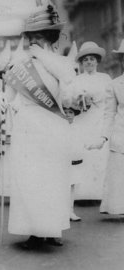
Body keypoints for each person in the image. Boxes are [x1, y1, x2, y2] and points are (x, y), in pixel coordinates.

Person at [6, 5, 79, 248]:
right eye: (31, 38)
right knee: (30, 179)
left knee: (53, 179)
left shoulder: (60, 64)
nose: (33, 43)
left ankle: (53, 228)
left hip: (52, 126)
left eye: (39, 38)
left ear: (49, 39)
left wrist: (45, 57)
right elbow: (11, 99)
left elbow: (69, 93)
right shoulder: (21, 65)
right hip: (27, 127)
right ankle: (35, 230)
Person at [87, 39, 124, 215]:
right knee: (119, 176)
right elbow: (109, 114)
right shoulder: (115, 84)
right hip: (120, 137)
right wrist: (103, 138)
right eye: (123, 58)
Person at [71, 42, 112, 200]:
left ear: (97, 61)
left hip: (100, 119)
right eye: (86, 59)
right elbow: (71, 100)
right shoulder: (77, 80)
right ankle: (82, 193)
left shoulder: (105, 78)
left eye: (92, 59)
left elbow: (110, 101)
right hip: (83, 120)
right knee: (84, 152)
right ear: (81, 62)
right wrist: (79, 100)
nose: (89, 62)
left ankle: (100, 192)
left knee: (100, 155)